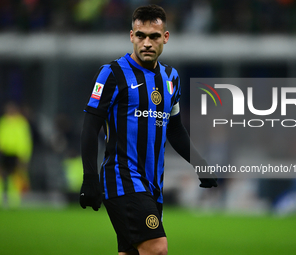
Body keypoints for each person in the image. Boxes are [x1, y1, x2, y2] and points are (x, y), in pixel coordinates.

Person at [79, 4, 217, 255]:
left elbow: (174, 128)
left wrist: (200, 163)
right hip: (122, 178)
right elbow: (90, 126)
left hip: (153, 183)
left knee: (132, 252)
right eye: (140, 35)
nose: (146, 43)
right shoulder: (112, 73)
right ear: (131, 36)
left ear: (165, 37)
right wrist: (89, 178)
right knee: (157, 248)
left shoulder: (171, 77)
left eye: (154, 36)